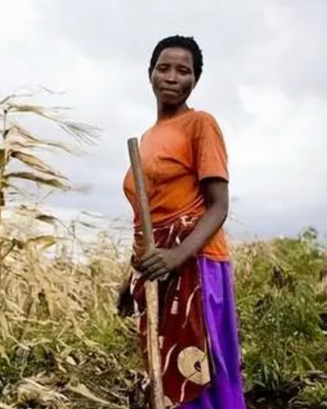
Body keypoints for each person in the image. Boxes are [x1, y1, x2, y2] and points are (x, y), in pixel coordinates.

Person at [118, 35, 247, 409]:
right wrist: (131, 279)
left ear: (195, 80)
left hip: (197, 266)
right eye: (164, 68)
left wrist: (176, 256)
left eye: (183, 71)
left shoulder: (200, 124)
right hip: (157, 270)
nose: (172, 77)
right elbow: (148, 218)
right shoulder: (146, 138)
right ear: (150, 74)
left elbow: (218, 207)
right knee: (163, 374)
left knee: (198, 373)